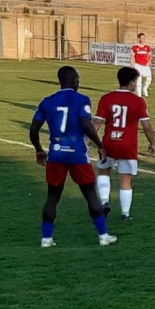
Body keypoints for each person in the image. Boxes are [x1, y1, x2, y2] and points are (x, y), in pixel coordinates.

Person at [28, 66, 117, 247]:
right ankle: (103, 236)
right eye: (77, 79)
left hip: (56, 154)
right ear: (73, 80)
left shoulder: (47, 101)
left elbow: (34, 129)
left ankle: (46, 239)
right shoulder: (82, 99)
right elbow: (86, 124)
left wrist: (38, 148)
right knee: (90, 194)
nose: (79, 82)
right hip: (77, 154)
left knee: (52, 196)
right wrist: (100, 145)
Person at [93, 67, 155, 221]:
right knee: (125, 179)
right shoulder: (138, 101)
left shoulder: (106, 98)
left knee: (104, 172)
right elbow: (146, 126)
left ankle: (104, 201)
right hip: (127, 145)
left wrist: (90, 141)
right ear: (132, 83)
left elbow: (96, 123)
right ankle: (125, 214)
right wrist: (152, 143)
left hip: (108, 143)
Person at [131, 33, 154, 97]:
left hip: (146, 65)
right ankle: (139, 95)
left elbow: (150, 56)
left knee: (149, 79)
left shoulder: (147, 47)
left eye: (144, 38)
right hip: (138, 65)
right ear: (139, 38)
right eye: (142, 38)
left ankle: (145, 89)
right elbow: (132, 56)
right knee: (139, 79)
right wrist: (132, 64)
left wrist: (149, 61)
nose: (143, 39)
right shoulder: (135, 47)